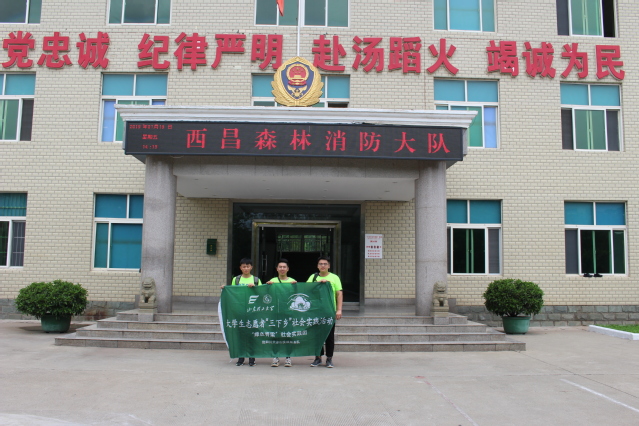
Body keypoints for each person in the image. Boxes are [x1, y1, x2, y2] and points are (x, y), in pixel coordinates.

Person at [221, 257, 261, 366]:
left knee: (251, 336)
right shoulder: (236, 280)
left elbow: (261, 294)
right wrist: (225, 288)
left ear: (251, 267)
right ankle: (241, 358)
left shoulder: (256, 280)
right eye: (244, 266)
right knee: (240, 335)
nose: (246, 268)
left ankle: (252, 358)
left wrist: (255, 288)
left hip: (252, 312)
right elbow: (232, 292)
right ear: (240, 268)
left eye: (248, 266)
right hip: (239, 311)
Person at [307, 256, 342, 368]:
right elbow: (306, 290)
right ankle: (318, 358)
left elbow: (339, 293)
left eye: (325, 264)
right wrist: (317, 284)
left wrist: (339, 310)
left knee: (329, 336)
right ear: (317, 266)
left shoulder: (334, 277)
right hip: (315, 311)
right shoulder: (313, 277)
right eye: (320, 264)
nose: (323, 266)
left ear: (329, 266)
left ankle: (329, 358)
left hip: (329, 311)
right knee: (316, 335)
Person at [266, 258, 297, 367]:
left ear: (288, 269)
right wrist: (267, 287)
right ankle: (276, 356)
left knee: (288, 335)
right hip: (275, 313)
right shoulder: (272, 281)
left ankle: (288, 357)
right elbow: (267, 296)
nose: (282, 269)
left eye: (284, 267)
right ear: (277, 269)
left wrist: (296, 287)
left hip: (289, 313)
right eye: (280, 267)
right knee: (275, 335)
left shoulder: (292, 281)